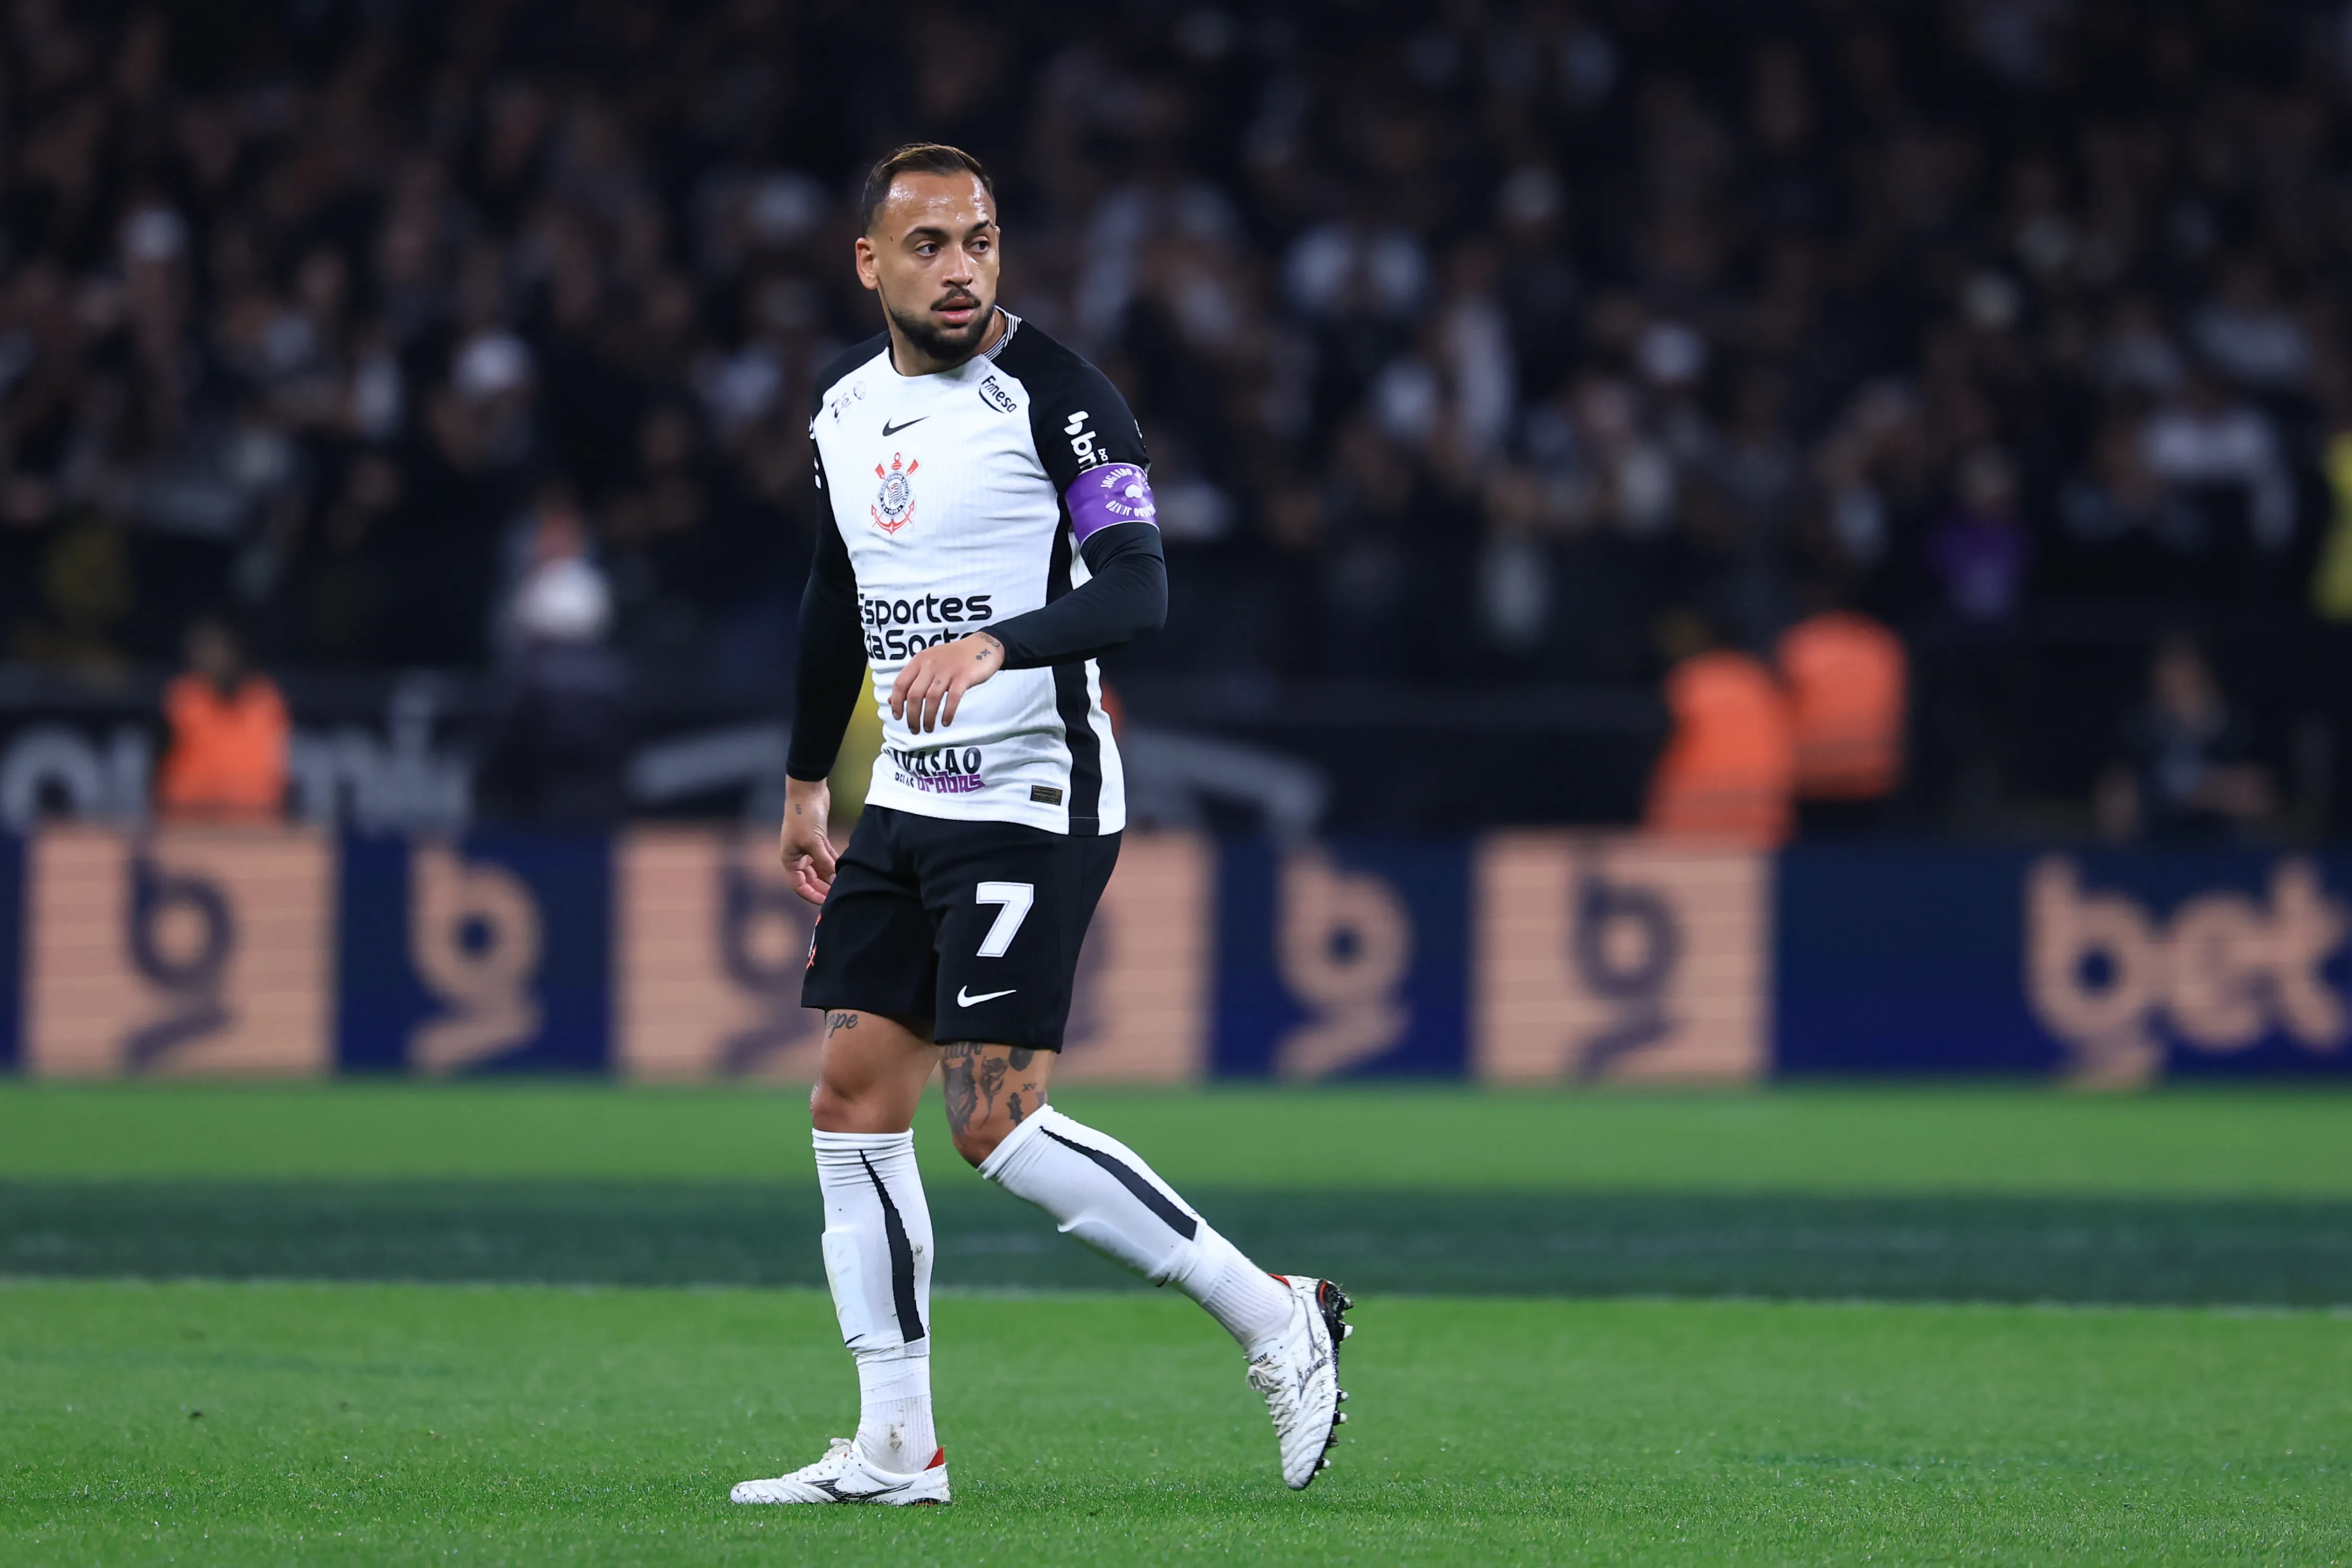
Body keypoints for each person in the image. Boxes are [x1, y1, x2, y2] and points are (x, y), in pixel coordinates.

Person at [734, 145, 1350, 1509]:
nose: (960, 270)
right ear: (869, 265)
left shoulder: (1062, 401)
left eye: (980, 242)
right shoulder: (843, 415)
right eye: (930, 247)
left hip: (1032, 795)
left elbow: (1137, 591)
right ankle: (896, 1449)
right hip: (904, 797)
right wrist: (800, 784)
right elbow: (835, 594)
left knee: (993, 1120)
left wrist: (998, 643)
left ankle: (1274, 1314)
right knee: (849, 1104)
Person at [2095, 634, 2272, 844]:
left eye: (2182, 673)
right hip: (2152, 856)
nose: (2173, 683)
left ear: (2202, 674)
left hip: (2222, 856)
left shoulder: (2235, 727)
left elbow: (2256, 799)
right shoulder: (2139, 730)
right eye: (2165, 674)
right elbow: (2115, 806)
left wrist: (2196, 793)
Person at [1643, 610, 1797, 850]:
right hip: (1759, 823)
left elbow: (1658, 738)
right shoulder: (1765, 683)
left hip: (1691, 823)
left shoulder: (1691, 680)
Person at [1776, 599, 1906, 837]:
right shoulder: (1881, 643)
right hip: (1870, 778)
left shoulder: (1801, 644)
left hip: (1810, 780)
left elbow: (1778, 710)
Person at [154, 617, 290, 823]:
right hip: (188, 822)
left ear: (236, 651)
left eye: (217, 649)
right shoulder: (181, 699)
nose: (211, 658)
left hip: (258, 825)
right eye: (203, 650)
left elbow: (282, 765)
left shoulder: (267, 701)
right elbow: (157, 766)